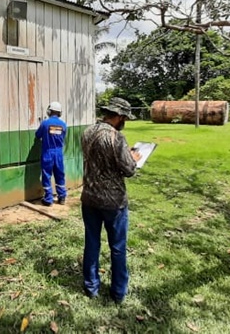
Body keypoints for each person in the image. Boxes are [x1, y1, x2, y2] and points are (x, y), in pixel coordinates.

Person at [80, 97, 141, 304]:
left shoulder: (87, 132)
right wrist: (134, 158)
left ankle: (91, 287)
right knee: (117, 247)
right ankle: (118, 292)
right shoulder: (117, 137)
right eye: (125, 118)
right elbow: (129, 170)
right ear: (120, 116)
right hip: (114, 203)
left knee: (92, 242)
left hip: (89, 198)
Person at [35, 101, 67, 206]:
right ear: (59, 113)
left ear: (49, 111)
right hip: (59, 153)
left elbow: (37, 135)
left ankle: (48, 199)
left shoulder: (45, 123)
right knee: (60, 174)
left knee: (46, 175)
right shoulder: (63, 125)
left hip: (48, 152)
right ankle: (62, 197)